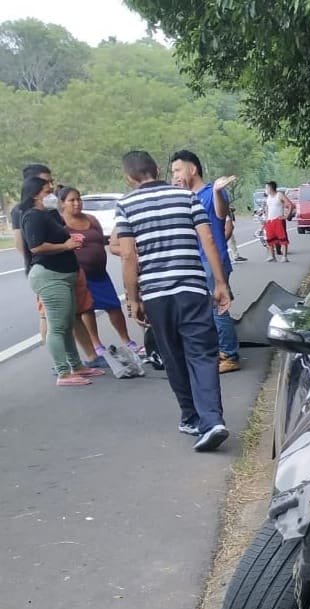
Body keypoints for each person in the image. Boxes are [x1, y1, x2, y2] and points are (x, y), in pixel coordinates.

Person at [114, 150, 231, 451]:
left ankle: (191, 417)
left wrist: (133, 299)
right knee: (203, 354)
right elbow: (208, 239)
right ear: (156, 169)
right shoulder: (186, 197)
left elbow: (127, 255)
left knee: (173, 355)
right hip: (192, 289)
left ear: (129, 177)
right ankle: (212, 420)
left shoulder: (125, 205)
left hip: (156, 295)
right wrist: (220, 284)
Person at [11, 163, 102, 368]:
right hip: (49, 273)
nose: (52, 190)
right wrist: (62, 247)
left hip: (66, 270)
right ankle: (61, 368)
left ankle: (79, 364)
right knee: (55, 322)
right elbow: (33, 246)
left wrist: (70, 242)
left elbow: (61, 233)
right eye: (47, 187)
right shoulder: (28, 214)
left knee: (69, 319)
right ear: (35, 190)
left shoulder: (49, 212)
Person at [170, 150, 241, 374]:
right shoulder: (184, 196)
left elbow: (220, 214)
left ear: (192, 169)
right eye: (173, 172)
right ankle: (218, 349)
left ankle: (230, 354)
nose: (175, 175)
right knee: (204, 310)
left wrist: (219, 191)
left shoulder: (211, 192)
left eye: (178, 170)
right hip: (193, 262)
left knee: (218, 308)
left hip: (213, 262)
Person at [58, 186, 144, 357]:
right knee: (87, 310)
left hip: (100, 273)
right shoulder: (60, 224)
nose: (77, 203)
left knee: (113, 306)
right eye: (72, 200)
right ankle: (96, 345)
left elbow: (103, 240)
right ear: (62, 204)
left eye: (78, 199)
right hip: (80, 274)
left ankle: (127, 340)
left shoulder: (91, 219)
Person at [262, 181, 295, 263]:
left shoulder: (279, 195)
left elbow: (290, 205)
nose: (266, 189)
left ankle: (284, 256)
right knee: (269, 239)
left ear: (271, 188)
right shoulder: (268, 197)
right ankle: (272, 256)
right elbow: (267, 208)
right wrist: (266, 218)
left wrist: (286, 216)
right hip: (270, 220)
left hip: (278, 220)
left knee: (282, 238)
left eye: (267, 188)